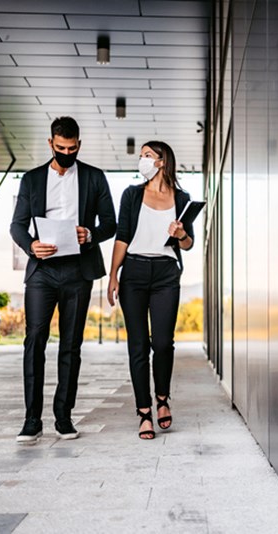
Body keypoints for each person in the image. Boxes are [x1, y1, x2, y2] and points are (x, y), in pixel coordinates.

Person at [10, 116, 116, 444]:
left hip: (78, 270)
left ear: (79, 146)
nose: (66, 152)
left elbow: (110, 223)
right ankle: (31, 420)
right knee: (34, 341)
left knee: (71, 345)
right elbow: (16, 225)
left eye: (71, 148)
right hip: (42, 271)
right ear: (50, 144)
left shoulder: (95, 178)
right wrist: (31, 246)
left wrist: (91, 234)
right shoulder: (31, 180)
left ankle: (63, 417)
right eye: (60, 148)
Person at [106, 141, 194, 440]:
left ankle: (162, 399)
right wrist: (113, 275)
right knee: (139, 345)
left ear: (161, 162)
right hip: (134, 272)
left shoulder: (181, 198)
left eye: (146, 156)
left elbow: (188, 243)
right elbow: (122, 236)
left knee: (164, 343)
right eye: (141, 155)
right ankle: (144, 412)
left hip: (166, 274)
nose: (141, 160)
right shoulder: (132, 195)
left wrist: (182, 234)